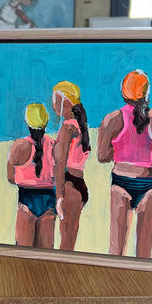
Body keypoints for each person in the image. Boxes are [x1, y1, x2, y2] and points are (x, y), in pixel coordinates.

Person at [97, 70, 152, 259]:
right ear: (146, 93)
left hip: (120, 184)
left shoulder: (111, 119)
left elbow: (102, 156)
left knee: (116, 250)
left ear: (123, 92)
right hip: (149, 186)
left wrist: (122, 149)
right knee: (144, 253)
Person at [6, 103, 56, 248]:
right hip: (49, 201)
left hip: (26, 200)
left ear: (27, 122)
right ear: (46, 123)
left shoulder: (19, 146)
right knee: (45, 253)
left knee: (23, 251)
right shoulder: (53, 145)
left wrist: (26, 179)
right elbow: (58, 176)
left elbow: (10, 178)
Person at [52, 81, 91, 251]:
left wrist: (59, 195)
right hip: (79, 184)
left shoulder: (67, 127)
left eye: (56, 100)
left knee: (65, 243)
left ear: (66, 102)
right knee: (70, 240)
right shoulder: (81, 126)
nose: (53, 105)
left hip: (68, 185)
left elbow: (60, 163)